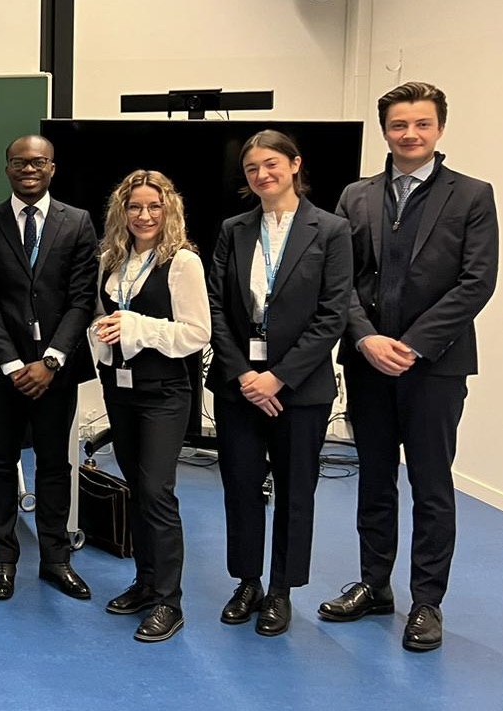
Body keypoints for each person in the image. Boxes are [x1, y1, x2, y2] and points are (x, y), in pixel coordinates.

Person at [318, 82, 499, 651]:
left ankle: (427, 601)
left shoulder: (473, 195)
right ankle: (374, 585)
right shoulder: (356, 196)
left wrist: (415, 344)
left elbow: (477, 281)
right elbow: (338, 279)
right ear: (385, 130)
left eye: (421, 124)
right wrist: (367, 338)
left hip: (435, 367)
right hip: (368, 362)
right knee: (373, 479)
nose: (410, 134)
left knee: (431, 485)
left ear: (439, 128)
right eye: (399, 125)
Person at [206, 129, 353, 636]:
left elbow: (333, 315)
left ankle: (281, 591)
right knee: (240, 487)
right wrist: (246, 374)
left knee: (295, 492)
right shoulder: (233, 229)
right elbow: (215, 306)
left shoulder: (331, 230)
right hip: (239, 387)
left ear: (294, 165)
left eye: (271, 164)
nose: (261, 174)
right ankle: (247, 581)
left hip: (301, 391)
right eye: (252, 168)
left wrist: (278, 378)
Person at [0, 134, 98, 601]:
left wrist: (50, 361)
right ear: (7, 167)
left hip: (57, 372)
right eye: (20, 162)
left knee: (53, 465)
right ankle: (4, 561)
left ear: (52, 168)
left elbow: (81, 298)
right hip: (2, 370)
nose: (29, 169)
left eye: (38, 162)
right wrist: (11, 364)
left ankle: (55, 560)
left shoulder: (78, 222)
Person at [90, 169, 210, 643]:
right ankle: (144, 583)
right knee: (136, 490)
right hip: (119, 389)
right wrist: (102, 331)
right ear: (122, 211)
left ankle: (168, 601)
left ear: (168, 209)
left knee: (158, 492)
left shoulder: (182, 262)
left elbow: (197, 333)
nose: (144, 215)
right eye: (135, 206)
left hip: (164, 392)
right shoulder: (112, 259)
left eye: (154, 206)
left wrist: (136, 326)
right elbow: (103, 315)